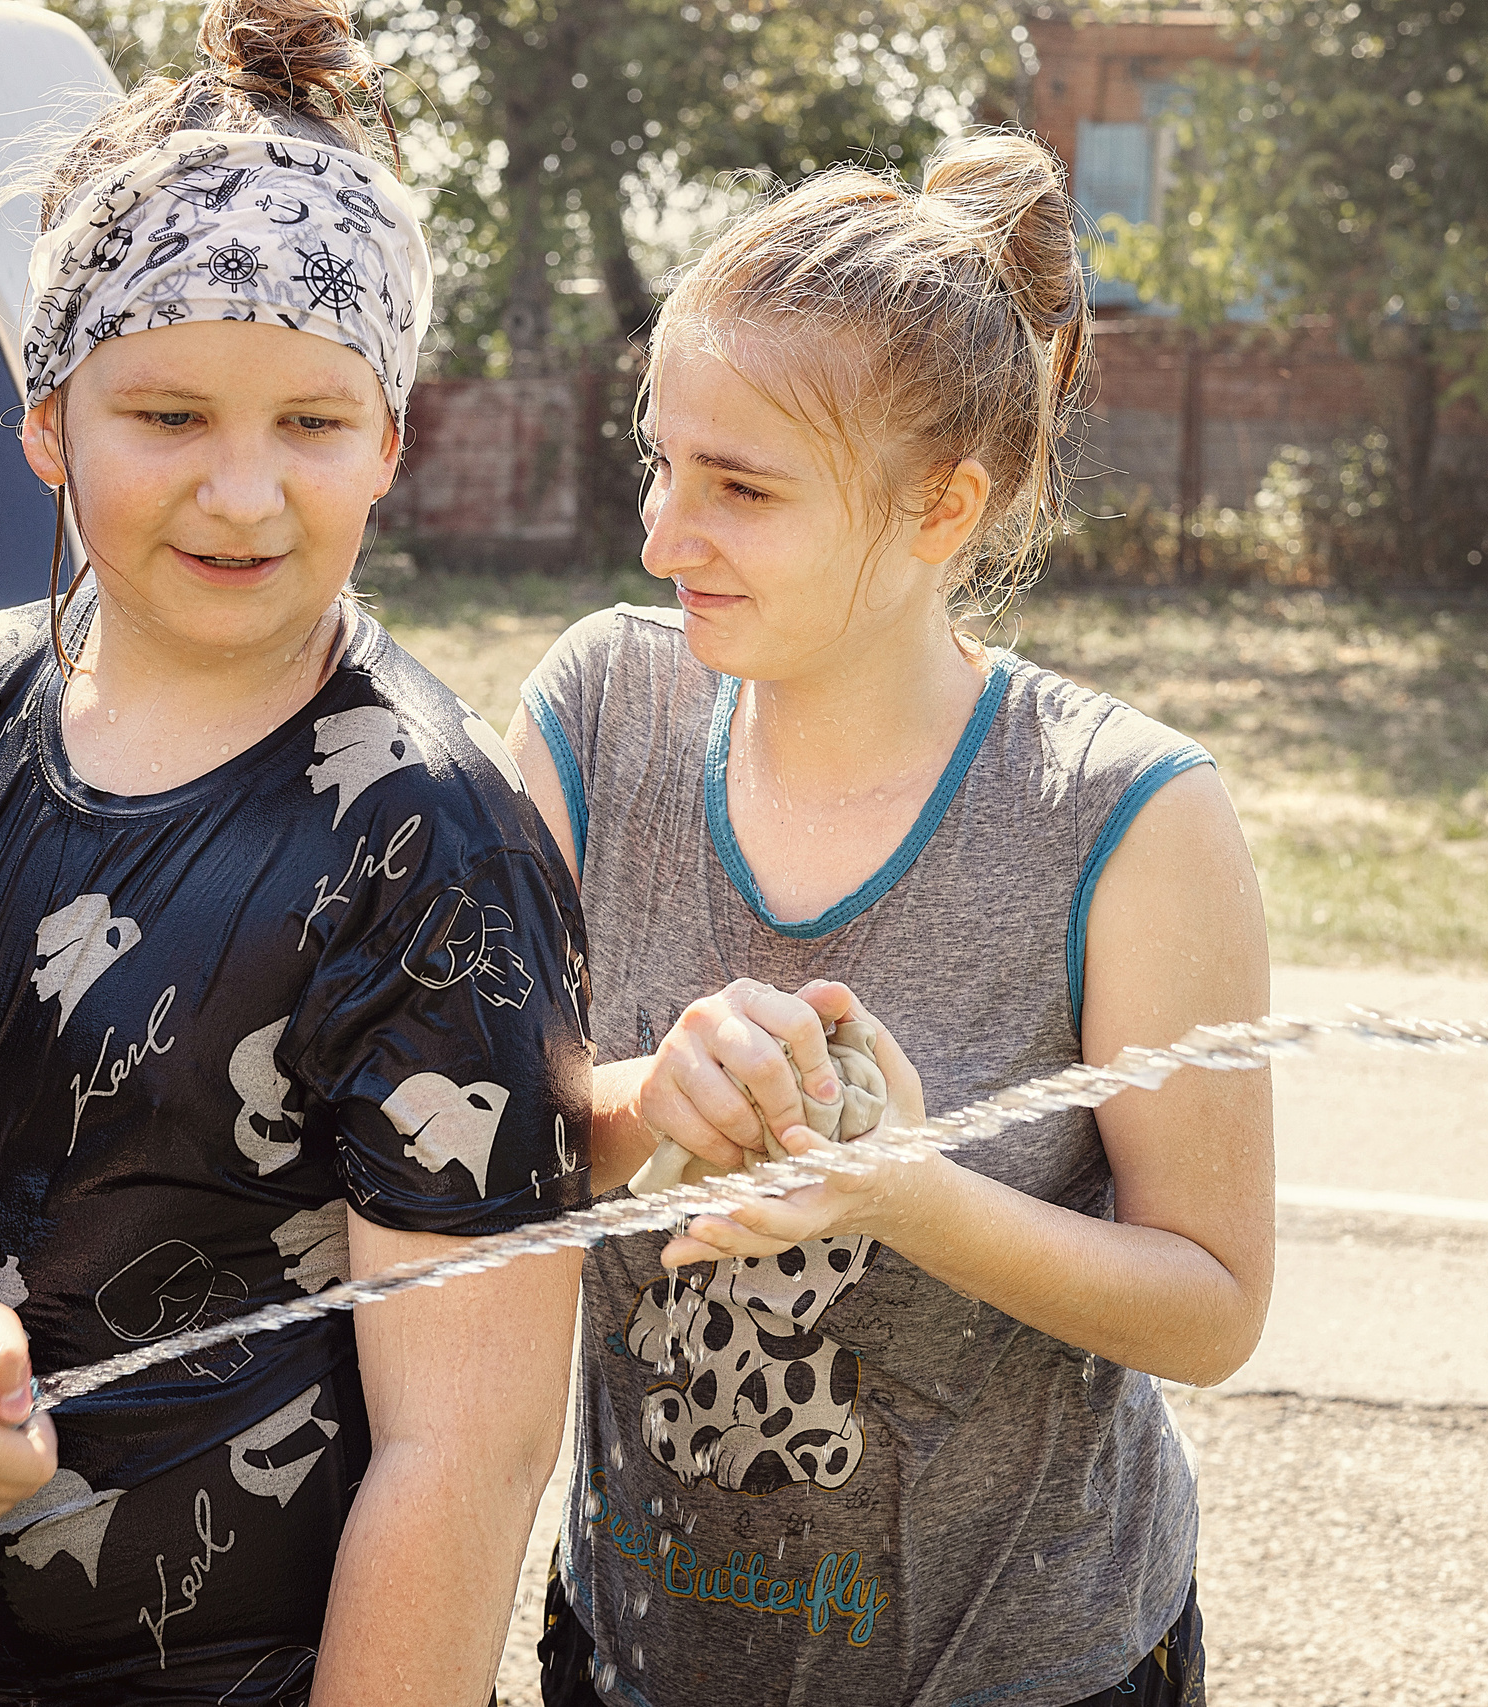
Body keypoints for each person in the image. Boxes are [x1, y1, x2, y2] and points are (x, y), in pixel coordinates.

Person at [0, 3, 589, 1700]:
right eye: (167, 416)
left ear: (391, 440)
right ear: (47, 422)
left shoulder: (431, 841)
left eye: (312, 423)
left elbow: (464, 1457)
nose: (243, 494)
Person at [506, 132, 1273, 1707]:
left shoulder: (1128, 816)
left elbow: (1211, 1306)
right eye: (662, 462)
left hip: (1030, 1673)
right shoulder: (594, 713)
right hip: (634, 1658)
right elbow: (463, 1149)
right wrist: (645, 1099)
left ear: (940, 509)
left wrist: (907, 1196)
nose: (661, 535)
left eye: (741, 488)